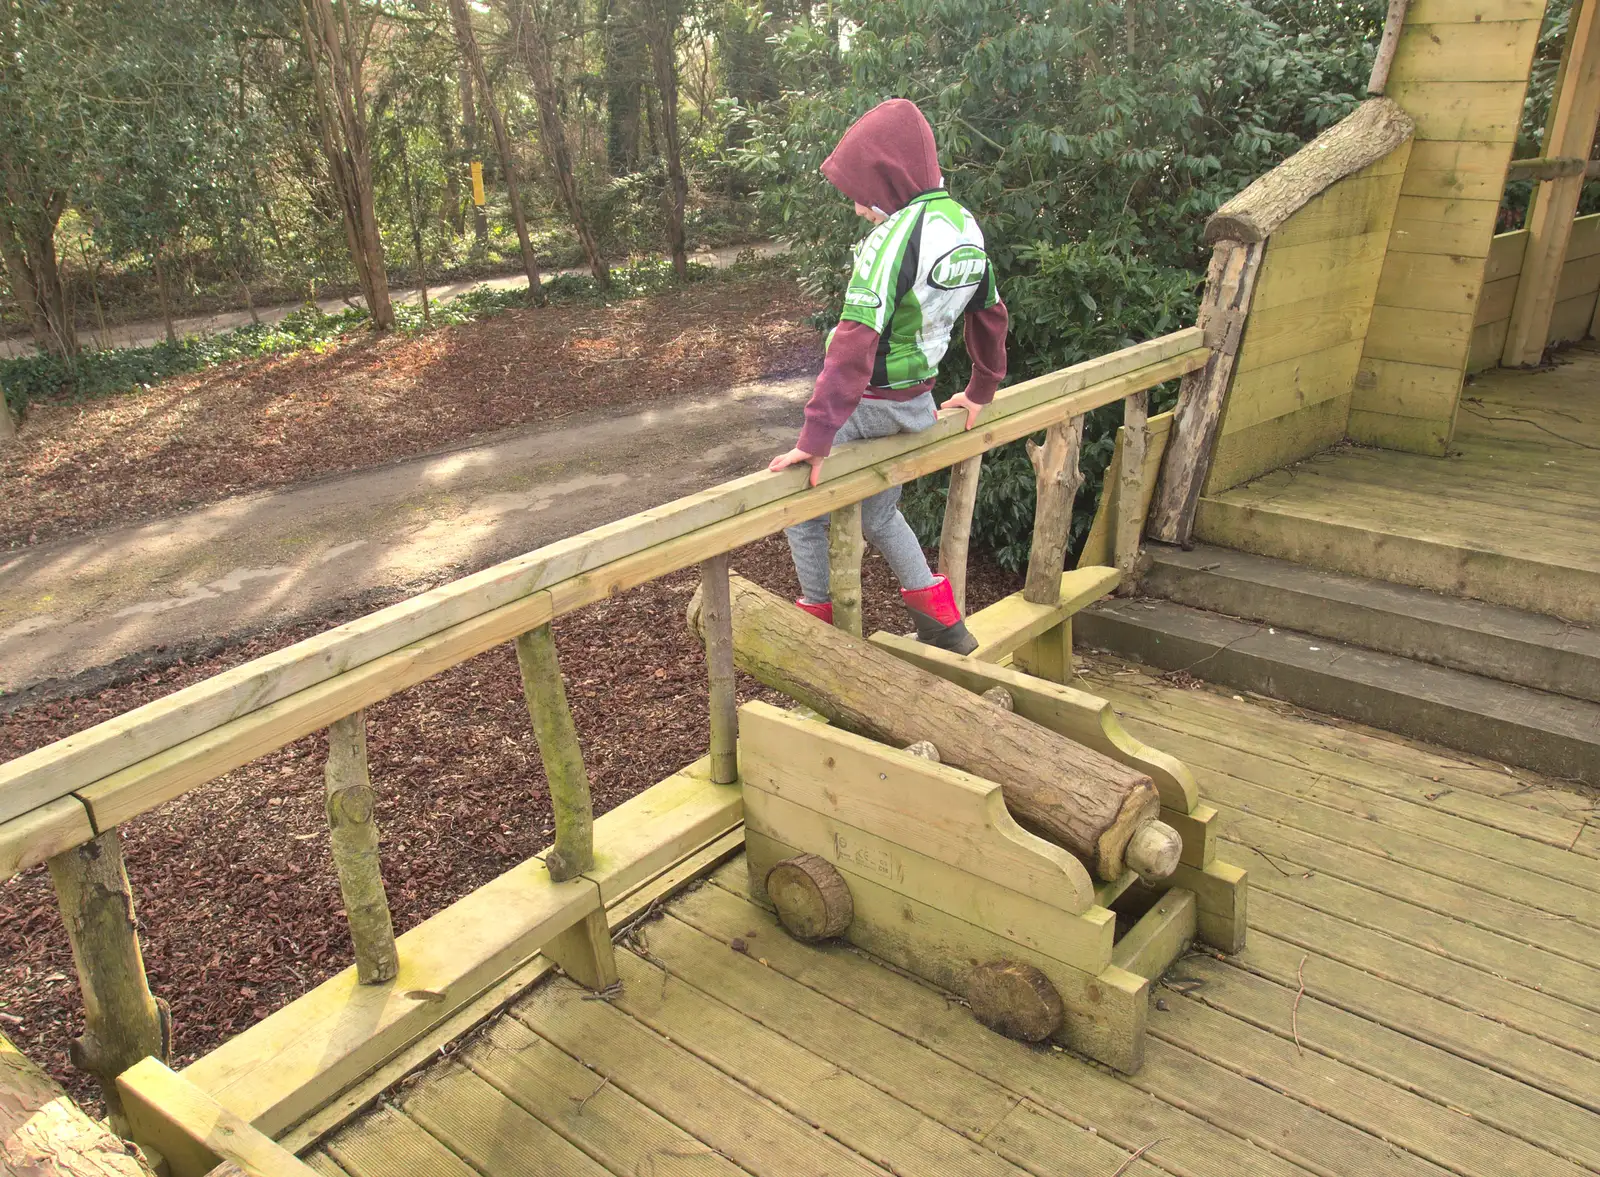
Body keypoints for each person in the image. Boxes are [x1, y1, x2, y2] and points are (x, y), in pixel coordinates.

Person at [769, 98, 1008, 655]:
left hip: (868, 406)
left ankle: (818, 631)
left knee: (800, 510)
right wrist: (981, 388)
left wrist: (816, 438)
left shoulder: (895, 235)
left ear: (889, 178)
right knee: (879, 511)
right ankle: (943, 623)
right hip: (916, 406)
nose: (857, 209)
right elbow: (990, 311)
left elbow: (856, 336)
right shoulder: (961, 224)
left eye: (861, 194)